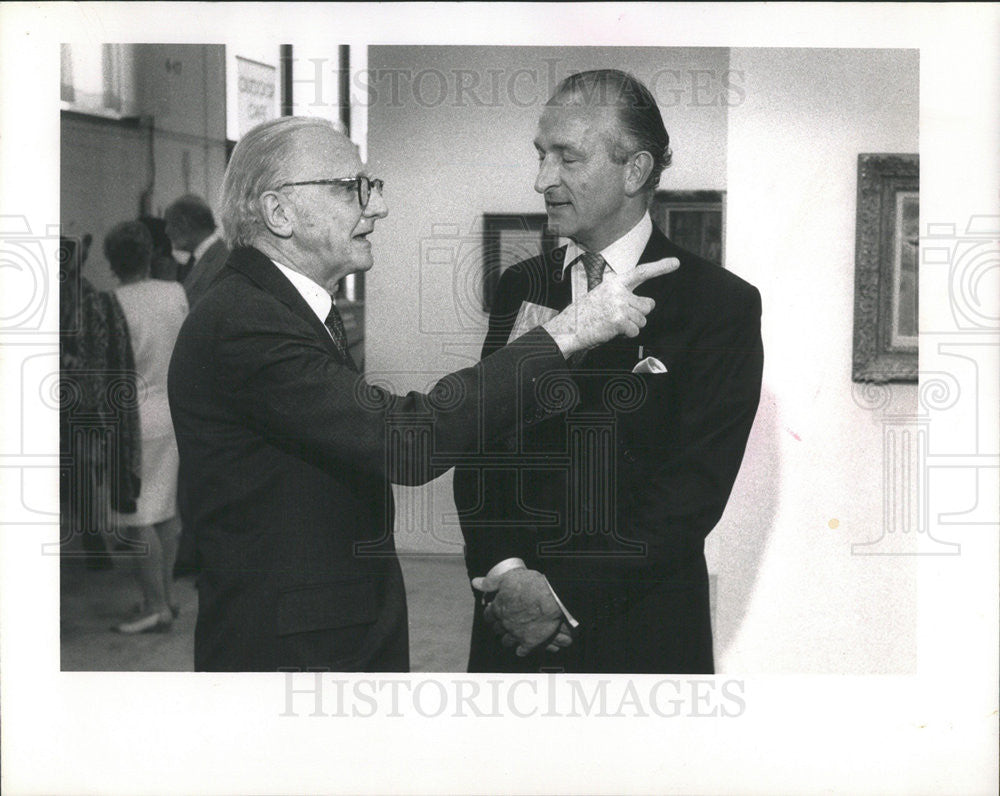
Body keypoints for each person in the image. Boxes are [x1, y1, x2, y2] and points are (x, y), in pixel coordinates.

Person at [167, 115, 672, 672]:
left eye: (372, 186)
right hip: (294, 649)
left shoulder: (277, 308)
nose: (377, 207)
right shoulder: (245, 320)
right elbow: (409, 441)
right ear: (278, 212)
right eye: (351, 188)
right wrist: (567, 331)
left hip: (321, 631)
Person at [453, 70, 764, 673]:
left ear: (635, 170)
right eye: (541, 156)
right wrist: (506, 574)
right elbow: (481, 438)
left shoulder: (717, 304)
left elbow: (693, 489)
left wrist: (561, 597)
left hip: (640, 630)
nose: (542, 179)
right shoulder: (522, 285)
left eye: (566, 158)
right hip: (510, 625)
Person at [104, 221, 189, 634]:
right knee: (165, 512)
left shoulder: (112, 303)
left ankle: (154, 605)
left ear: (111, 262)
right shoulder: (174, 293)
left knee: (136, 516)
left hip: (132, 418)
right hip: (173, 412)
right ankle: (167, 599)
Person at [163, 194, 230, 308]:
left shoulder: (223, 260)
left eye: (170, 224)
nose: (166, 231)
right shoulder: (200, 259)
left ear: (184, 223)